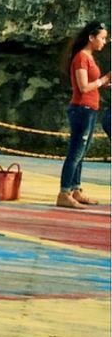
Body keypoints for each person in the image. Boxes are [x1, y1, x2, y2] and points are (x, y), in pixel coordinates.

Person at [56, 19, 110, 209]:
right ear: (91, 37)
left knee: (82, 153)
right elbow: (83, 86)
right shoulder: (81, 57)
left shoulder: (90, 57)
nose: (104, 42)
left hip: (90, 109)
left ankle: (75, 189)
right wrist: (103, 80)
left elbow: (92, 84)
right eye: (102, 38)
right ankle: (64, 192)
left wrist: (105, 83)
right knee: (75, 153)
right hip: (81, 109)